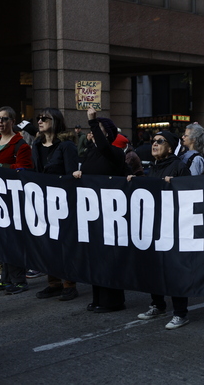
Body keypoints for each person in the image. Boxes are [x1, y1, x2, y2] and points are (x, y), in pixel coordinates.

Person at [133, 131, 192, 330]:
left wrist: (175, 185)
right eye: (152, 142)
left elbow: (190, 194)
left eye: (160, 141)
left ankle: (180, 313)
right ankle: (158, 304)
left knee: (174, 269)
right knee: (154, 266)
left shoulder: (179, 166)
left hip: (174, 227)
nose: (154, 144)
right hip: (155, 225)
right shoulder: (154, 167)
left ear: (170, 146)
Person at [73, 107, 126, 313]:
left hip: (111, 212)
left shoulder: (114, 152)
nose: (92, 133)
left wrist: (93, 121)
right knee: (95, 256)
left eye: (99, 130)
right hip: (92, 211)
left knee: (109, 257)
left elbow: (104, 147)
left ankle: (112, 301)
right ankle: (98, 298)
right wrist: (80, 174)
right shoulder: (91, 152)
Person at [0, 106, 33, 294]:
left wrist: (3, 166)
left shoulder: (21, 144)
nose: (0, 122)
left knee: (13, 240)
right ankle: (5, 278)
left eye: (4, 119)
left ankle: (19, 280)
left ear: (12, 121)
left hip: (12, 200)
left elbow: (25, 169)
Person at [32, 108, 80, 301]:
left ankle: (69, 284)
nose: (40, 121)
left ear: (56, 121)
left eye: (45, 118)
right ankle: (54, 283)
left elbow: (70, 175)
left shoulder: (66, 146)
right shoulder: (36, 144)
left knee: (64, 244)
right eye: (39, 118)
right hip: (42, 200)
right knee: (47, 244)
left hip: (62, 202)